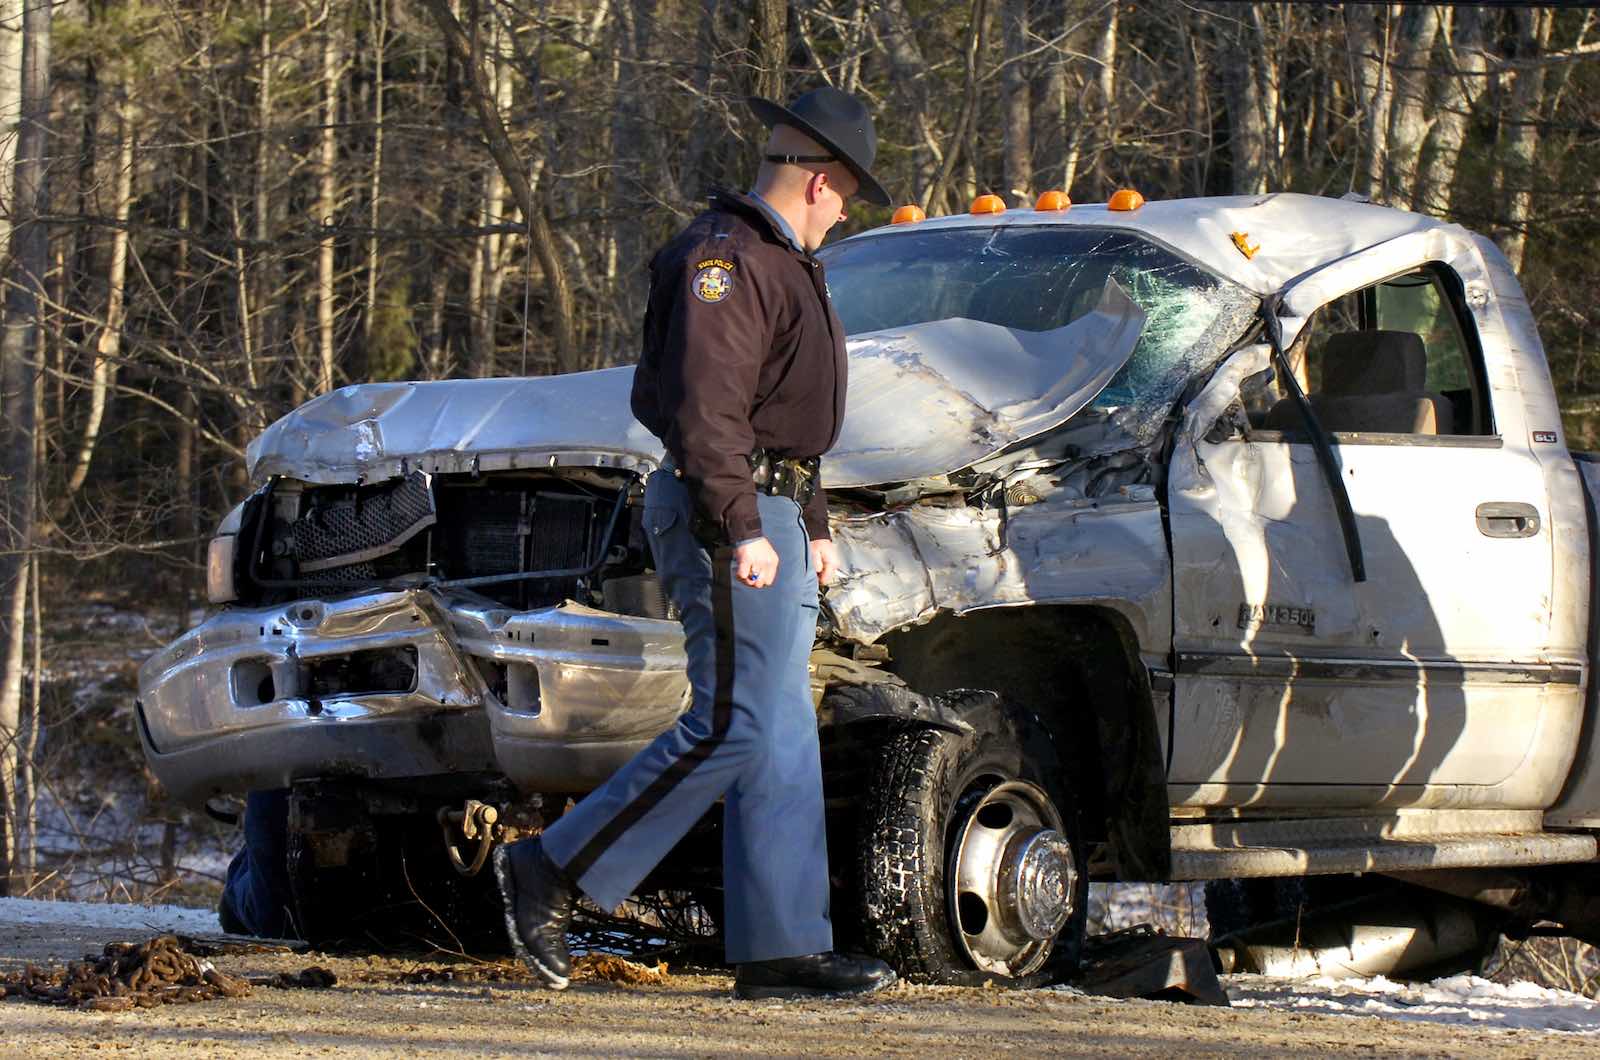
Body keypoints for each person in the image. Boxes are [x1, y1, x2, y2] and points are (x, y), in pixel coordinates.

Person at [494, 86, 897, 1000]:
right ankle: (548, 870)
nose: (844, 215)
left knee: (782, 731)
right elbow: (707, 410)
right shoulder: (726, 262)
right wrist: (743, 523)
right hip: (732, 511)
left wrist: (813, 522)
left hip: (774, 511)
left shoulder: (778, 260)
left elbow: (783, 411)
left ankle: (782, 948)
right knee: (733, 720)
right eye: (847, 196)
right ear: (821, 181)